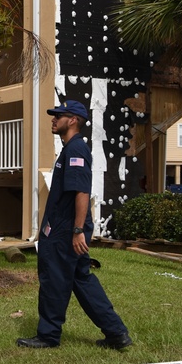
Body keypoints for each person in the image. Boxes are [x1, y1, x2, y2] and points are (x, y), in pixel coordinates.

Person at [17, 100, 132, 349]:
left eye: (58, 116)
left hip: (66, 230)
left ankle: (48, 335)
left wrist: (78, 230)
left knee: (54, 280)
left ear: (72, 121)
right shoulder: (70, 149)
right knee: (82, 280)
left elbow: (81, 191)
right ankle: (117, 334)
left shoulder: (76, 149)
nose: (53, 119)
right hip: (65, 228)